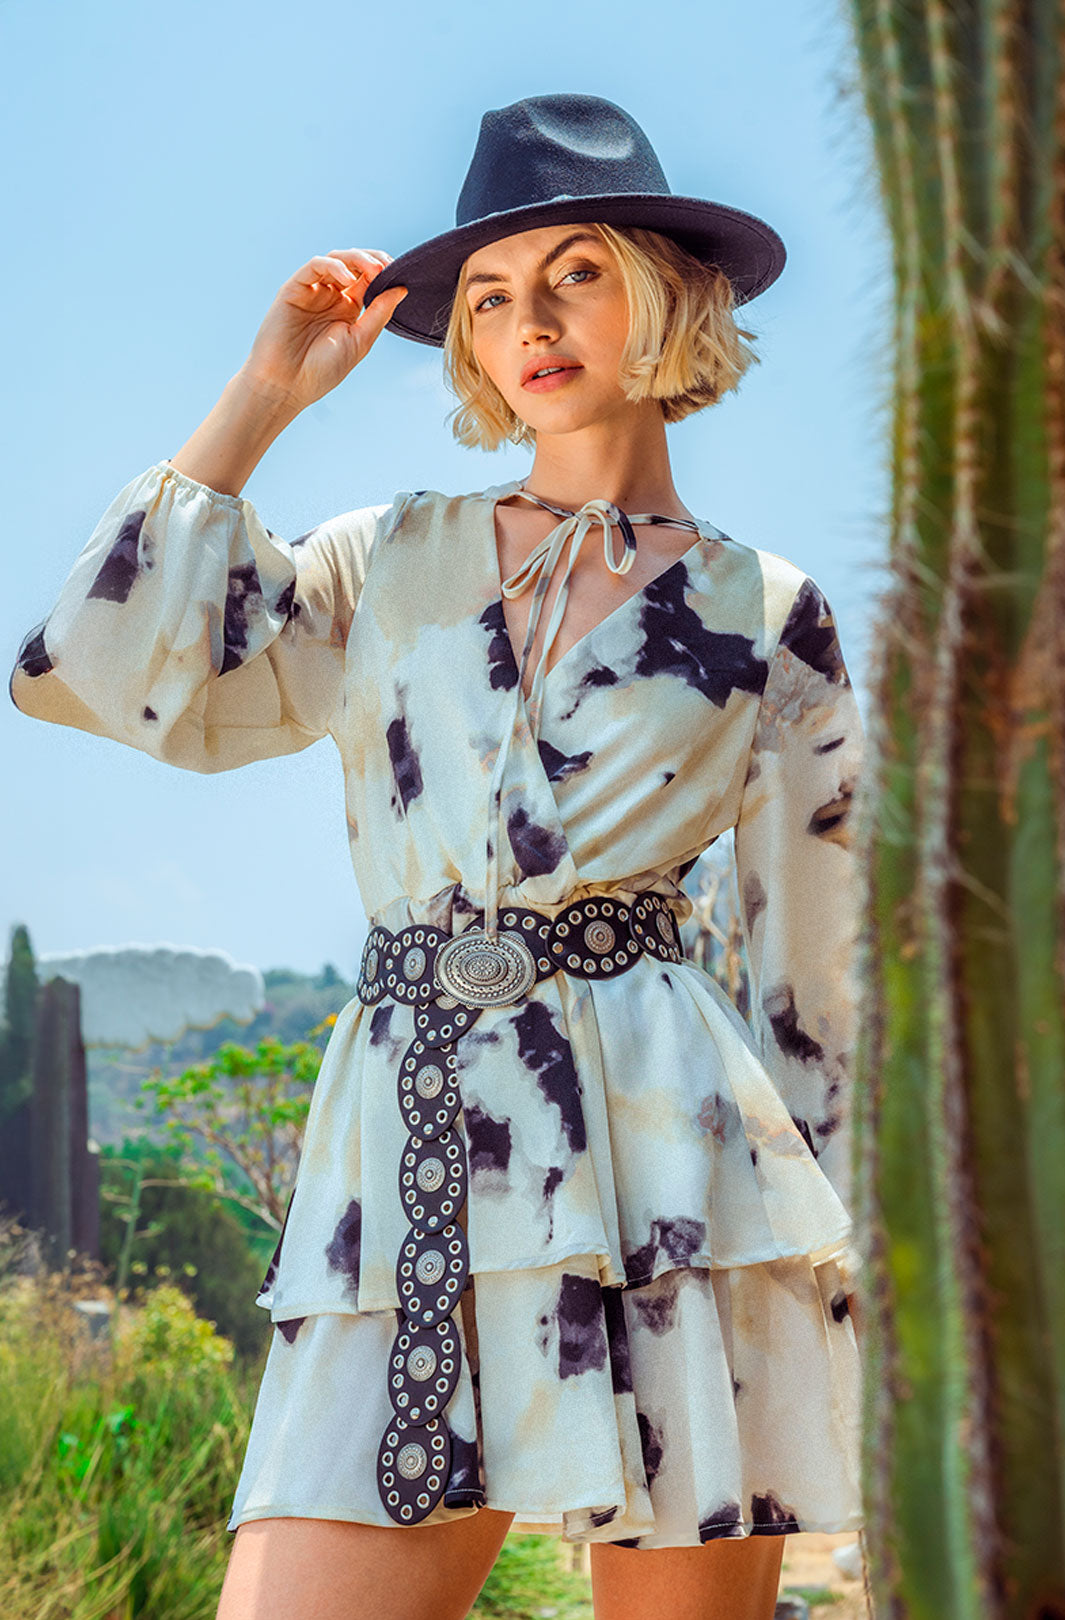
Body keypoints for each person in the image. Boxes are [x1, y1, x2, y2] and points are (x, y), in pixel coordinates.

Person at [9, 93, 866, 1620]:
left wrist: (857, 1281)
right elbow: (93, 667)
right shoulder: (383, 562)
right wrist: (265, 397)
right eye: (488, 295)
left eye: (576, 274)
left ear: (667, 293)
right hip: (404, 1158)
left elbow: (823, 987)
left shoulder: (770, 614)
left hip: (679, 1181)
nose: (529, 321)